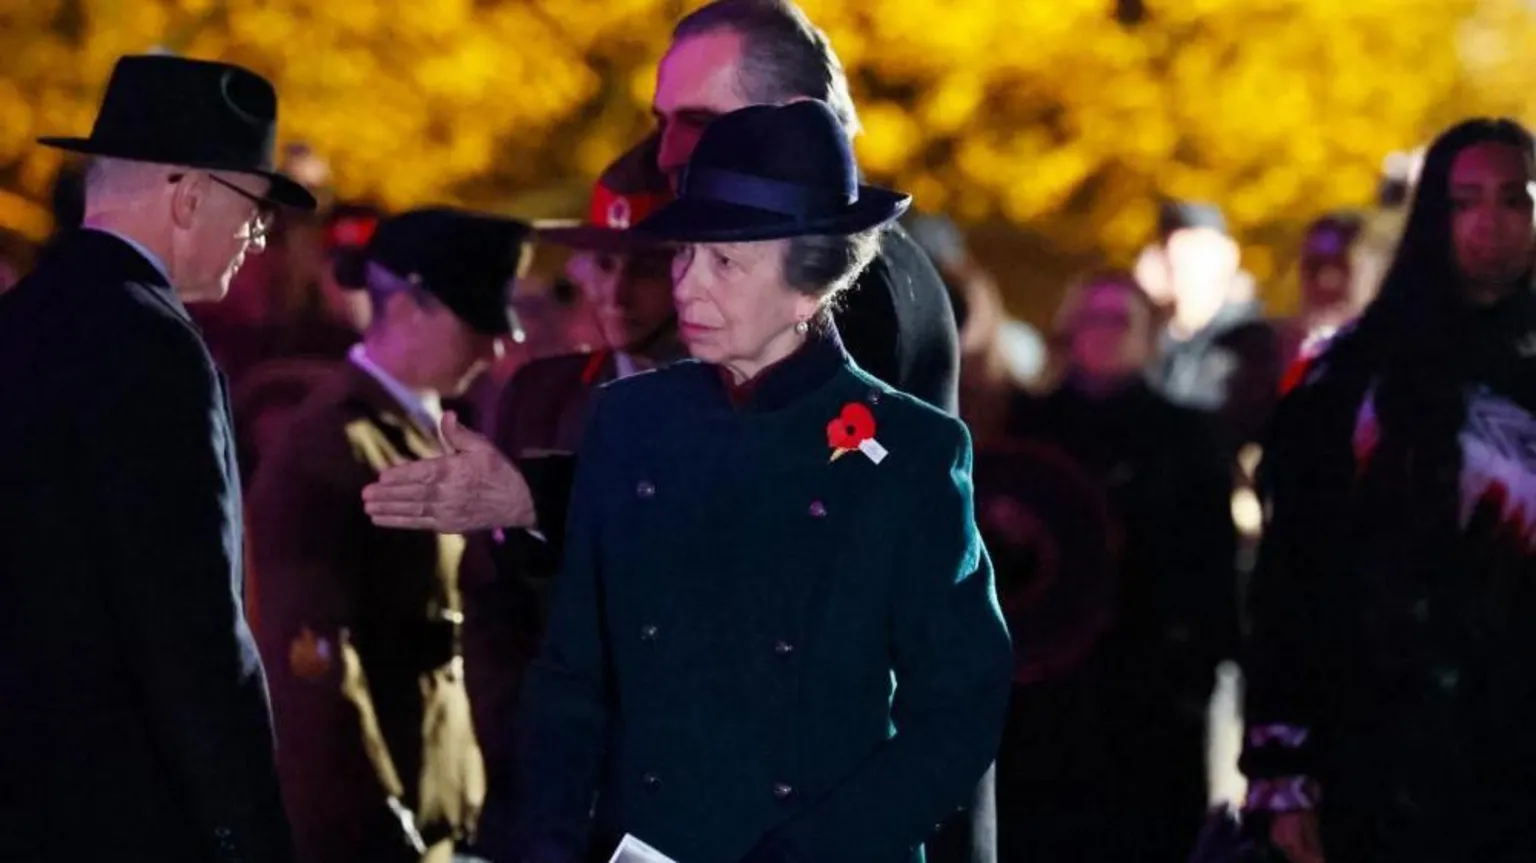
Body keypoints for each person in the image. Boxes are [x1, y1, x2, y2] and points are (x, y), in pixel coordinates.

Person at [507, 99, 1007, 863]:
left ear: (810, 285)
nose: (687, 285)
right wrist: (546, 843)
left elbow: (961, 709)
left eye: (725, 263)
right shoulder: (628, 423)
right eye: (683, 254)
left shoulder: (909, 451)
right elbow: (573, 673)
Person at [0, 54, 315, 862]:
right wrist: (247, 832)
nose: (259, 236)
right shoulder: (154, 348)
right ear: (192, 195)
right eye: (255, 206)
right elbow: (192, 627)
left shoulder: (20, 321)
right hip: (125, 818)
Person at [1243, 118, 1536, 863]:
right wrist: (1284, 772)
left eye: (1515, 199)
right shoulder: (1346, 382)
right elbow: (1292, 582)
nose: (1489, 225)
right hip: (1381, 760)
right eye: (1463, 200)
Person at [248, 208, 527, 863]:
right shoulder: (332, 446)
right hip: (380, 828)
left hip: (439, 804)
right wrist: (374, 825)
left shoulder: (422, 434)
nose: (495, 350)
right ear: (405, 307)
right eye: (475, 323)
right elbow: (314, 666)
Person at [463, 139, 684, 841]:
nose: (616, 291)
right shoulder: (540, 393)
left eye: (646, 268)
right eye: (605, 263)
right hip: (551, 766)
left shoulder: (735, 404)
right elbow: (490, 589)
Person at [998, 270, 1237, 863]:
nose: (1102, 333)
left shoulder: (1187, 441)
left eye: (1119, 319)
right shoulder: (1022, 429)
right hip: (1040, 714)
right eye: (1090, 318)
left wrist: (1191, 680)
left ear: (1148, 335)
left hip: (1147, 706)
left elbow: (1213, 574)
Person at [1150, 200, 1282, 451]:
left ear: (1228, 255)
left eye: (1193, 249)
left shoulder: (1255, 345)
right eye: (1170, 248)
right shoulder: (1152, 343)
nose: (1178, 261)